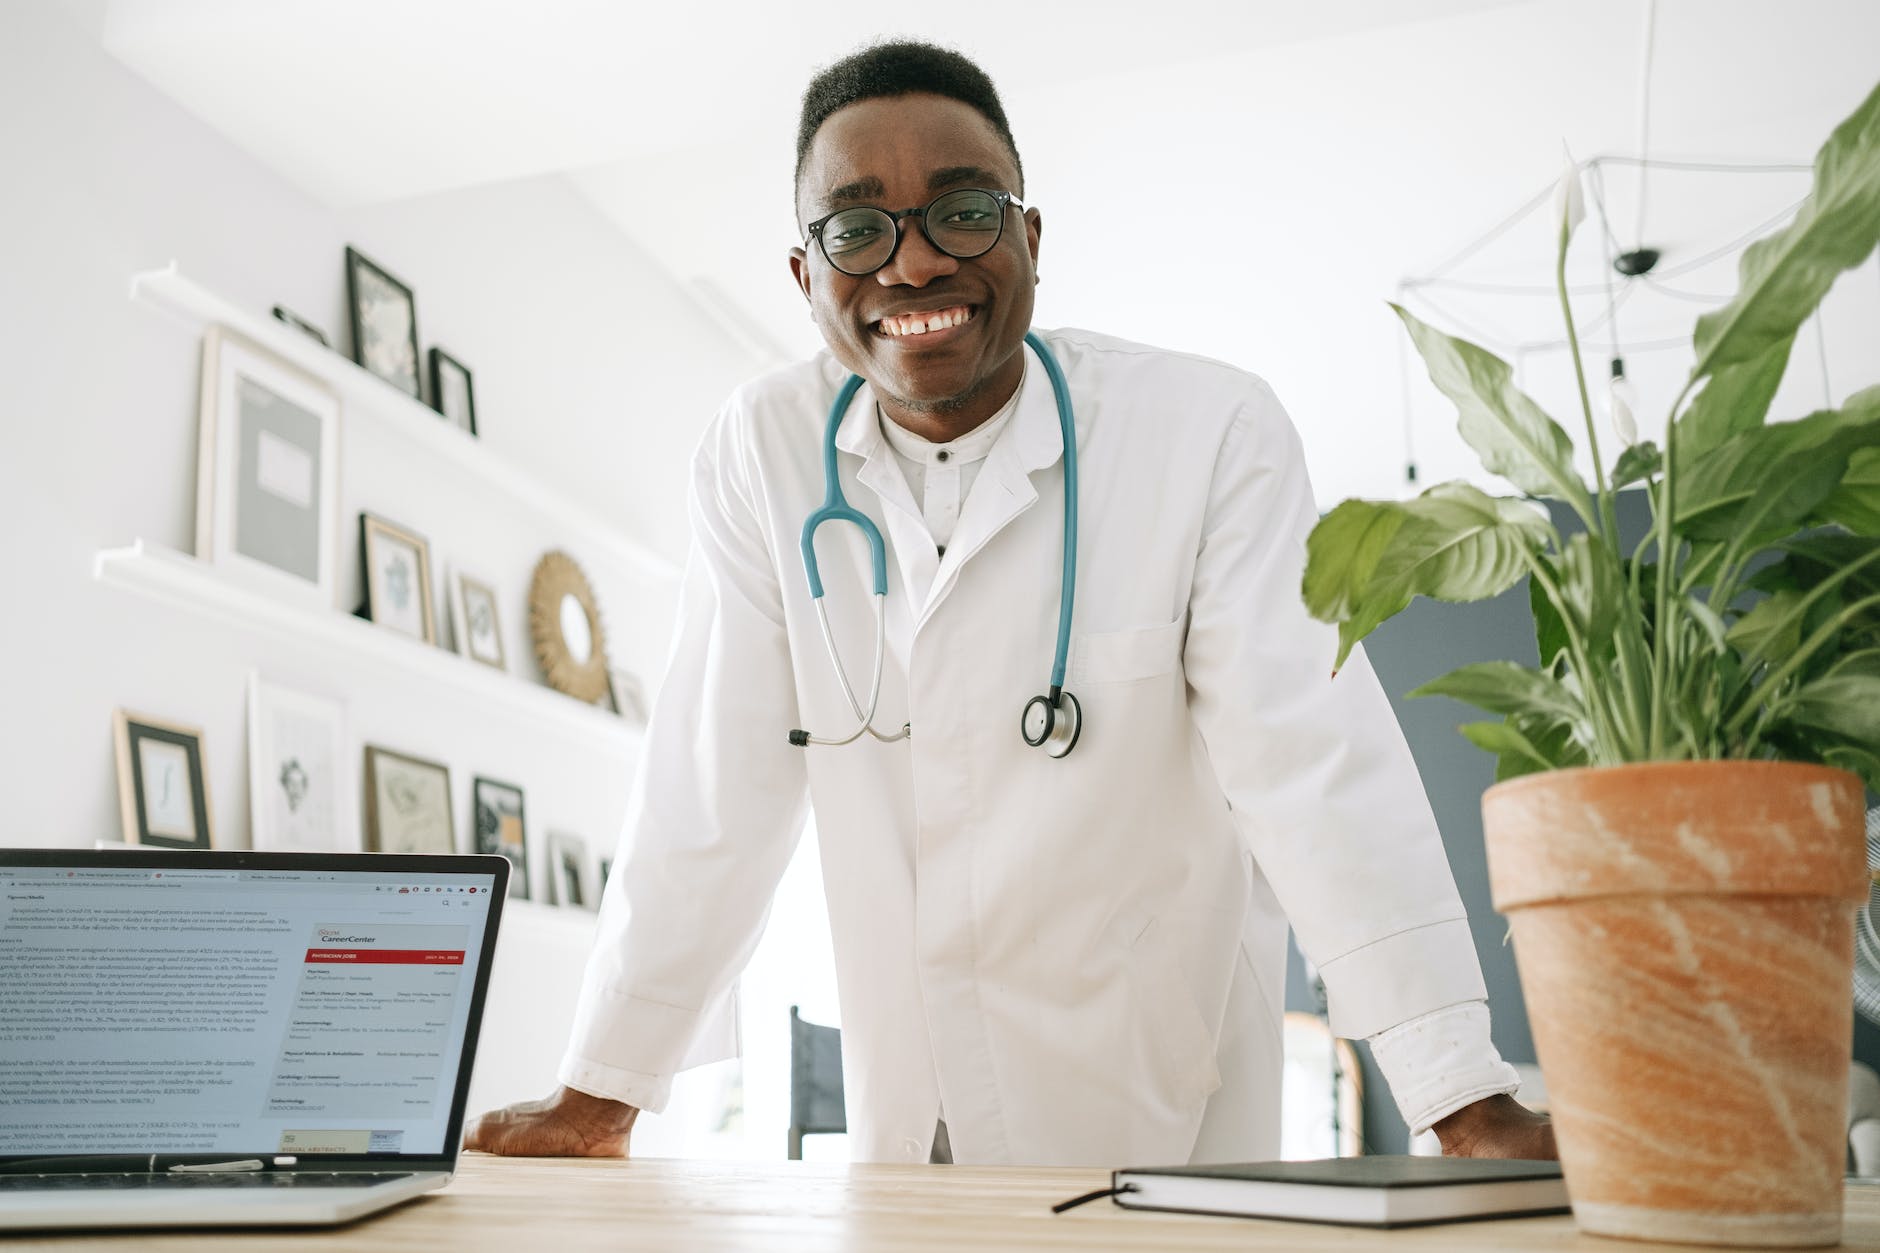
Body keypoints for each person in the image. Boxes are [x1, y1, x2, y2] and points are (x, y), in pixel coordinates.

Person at [465, 40, 1554, 1167]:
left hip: (1150, 1102)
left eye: (962, 212)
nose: (913, 263)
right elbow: (709, 787)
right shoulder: (763, 453)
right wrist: (603, 1088)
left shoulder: (1204, 432)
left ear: (1028, 236)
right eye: (855, 229)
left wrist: (1457, 1094)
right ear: (805, 277)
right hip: (909, 1104)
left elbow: (1313, 765)